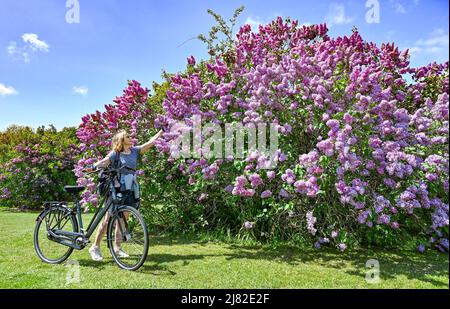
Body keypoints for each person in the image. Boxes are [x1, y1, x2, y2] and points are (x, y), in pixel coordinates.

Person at [88, 129, 163, 261]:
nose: (131, 137)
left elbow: (150, 142)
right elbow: (104, 161)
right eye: (128, 136)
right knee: (107, 220)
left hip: (129, 188)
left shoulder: (135, 151)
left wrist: (162, 131)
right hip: (116, 189)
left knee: (122, 220)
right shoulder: (115, 154)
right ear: (121, 140)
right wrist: (93, 166)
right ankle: (95, 247)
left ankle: (117, 248)